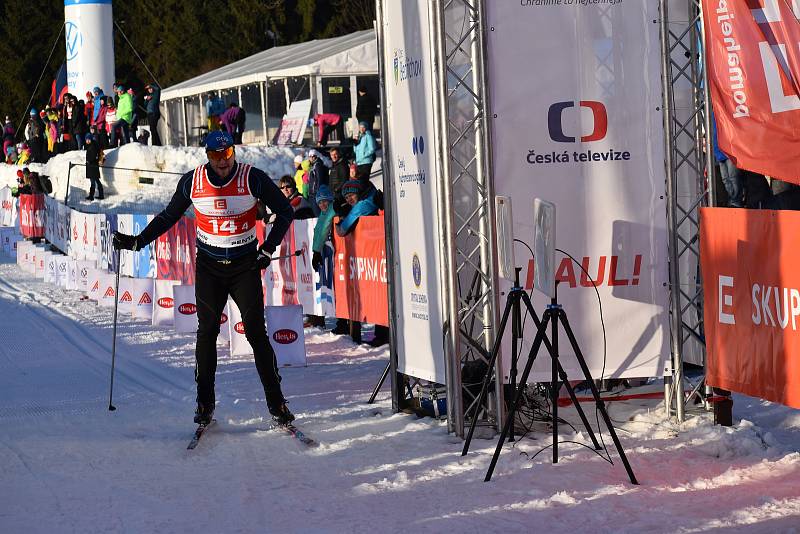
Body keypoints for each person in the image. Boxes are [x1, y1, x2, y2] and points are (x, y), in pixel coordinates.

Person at [112, 131, 296, 426]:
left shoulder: (252, 178)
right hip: (209, 268)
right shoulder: (193, 181)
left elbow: (286, 210)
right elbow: (168, 216)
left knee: (255, 333)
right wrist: (138, 241)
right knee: (207, 332)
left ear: (233, 152)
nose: (222, 163)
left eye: (227, 155)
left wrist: (268, 248)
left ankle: (277, 404)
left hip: (244, 266)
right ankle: (204, 404)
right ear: (207, 155)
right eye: (215, 156)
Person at [306, 149, 328, 216]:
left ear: (316, 156)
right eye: (310, 156)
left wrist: (317, 191)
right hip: (313, 193)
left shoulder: (317, 165)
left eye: (313, 156)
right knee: (315, 212)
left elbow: (319, 179)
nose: (312, 158)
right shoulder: (313, 166)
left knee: (317, 213)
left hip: (315, 193)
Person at [84, 133, 104, 200]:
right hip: (91, 166)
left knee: (94, 181)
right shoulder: (91, 145)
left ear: (91, 139)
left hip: (93, 166)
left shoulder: (93, 146)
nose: (87, 141)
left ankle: (92, 196)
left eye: (88, 139)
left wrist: (89, 161)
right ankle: (98, 195)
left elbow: (93, 155)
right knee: (95, 180)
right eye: (86, 139)